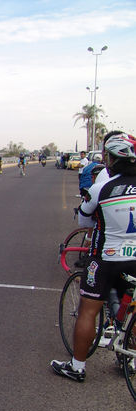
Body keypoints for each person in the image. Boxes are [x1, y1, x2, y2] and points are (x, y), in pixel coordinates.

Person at [51, 133, 136, 382]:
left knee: (88, 311)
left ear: (112, 159)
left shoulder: (102, 188)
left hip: (106, 258)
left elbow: (84, 220)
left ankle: (77, 366)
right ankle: (130, 359)